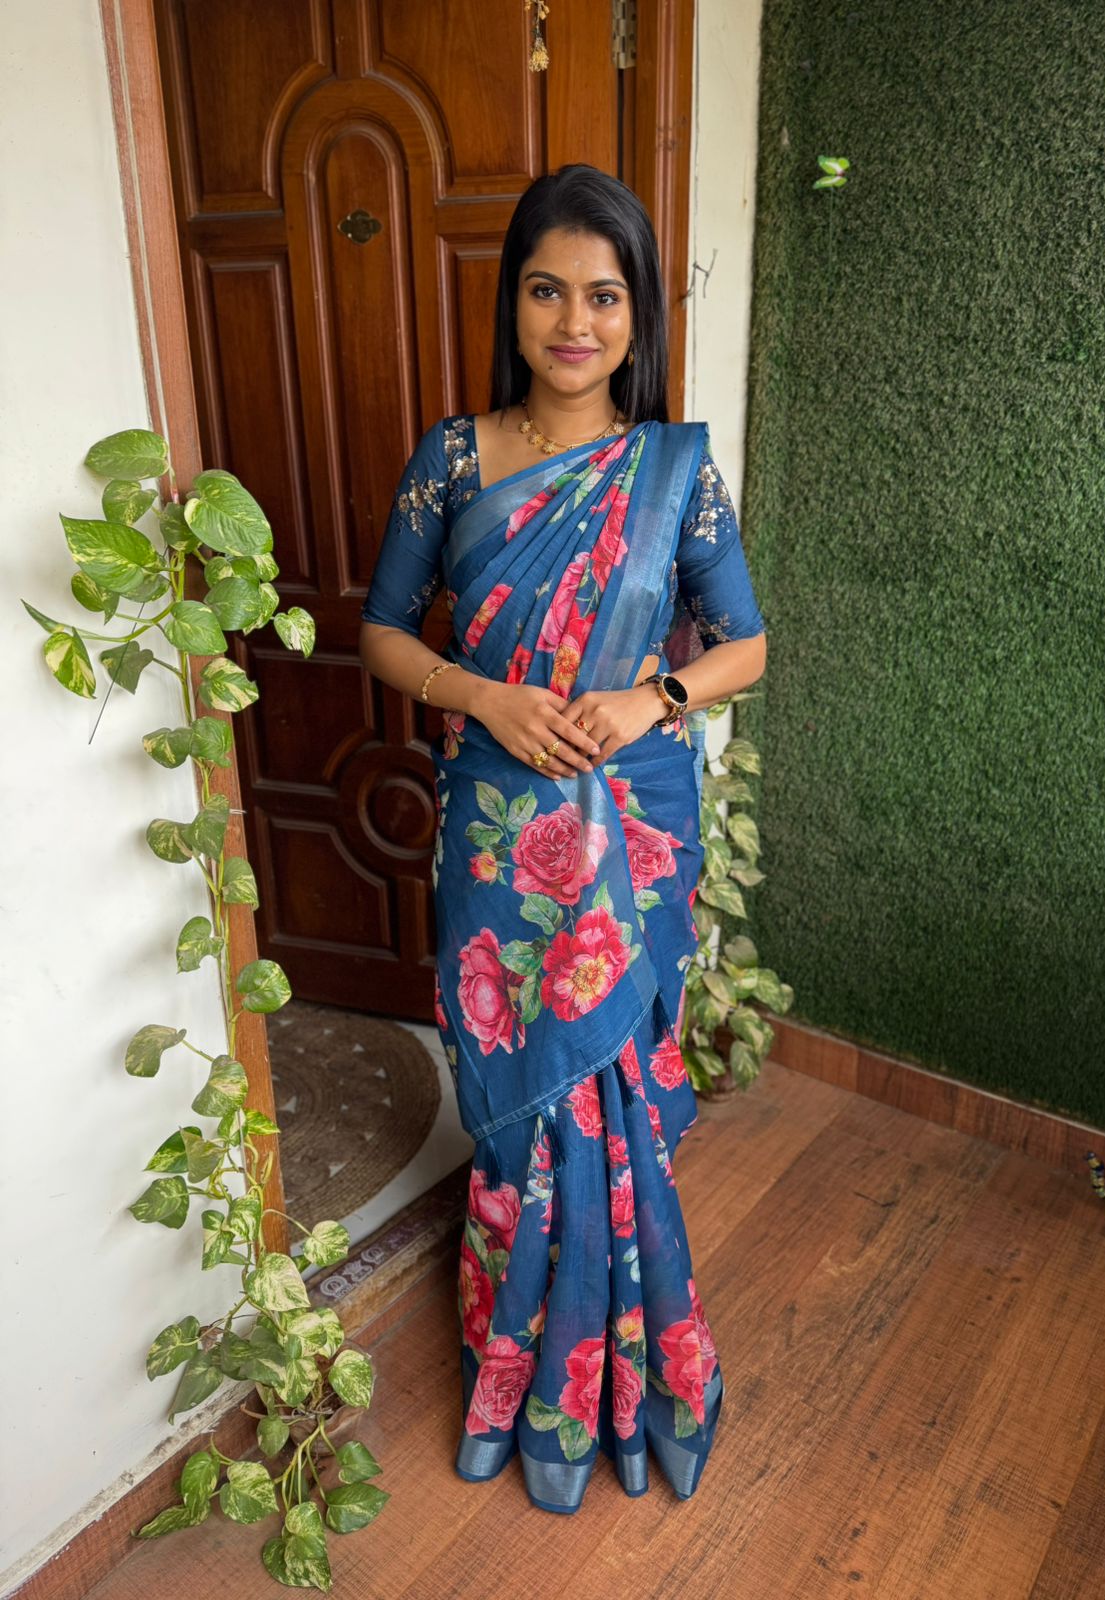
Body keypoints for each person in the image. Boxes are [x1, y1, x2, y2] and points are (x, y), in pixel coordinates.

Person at [358, 162, 767, 1515]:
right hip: (497, 827)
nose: (574, 323)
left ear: (637, 315)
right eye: (547, 291)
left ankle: (625, 1376)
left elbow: (746, 644)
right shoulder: (454, 458)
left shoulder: (672, 473)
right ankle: (518, 1370)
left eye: (604, 296)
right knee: (522, 1100)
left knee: (616, 1100)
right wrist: (485, 697)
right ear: (513, 303)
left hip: (632, 820)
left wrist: (649, 699)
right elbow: (382, 631)